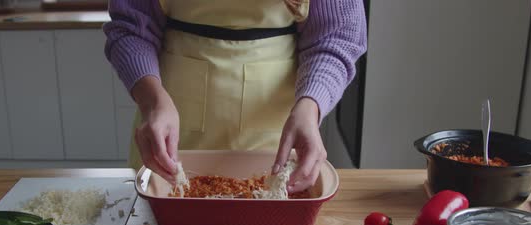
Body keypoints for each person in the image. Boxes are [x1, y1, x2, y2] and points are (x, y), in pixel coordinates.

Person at [104, 0, 367, 194]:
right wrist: (152, 101)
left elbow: (336, 36)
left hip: (275, 139)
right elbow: (130, 27)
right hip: (169, 131)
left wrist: (311, 107)